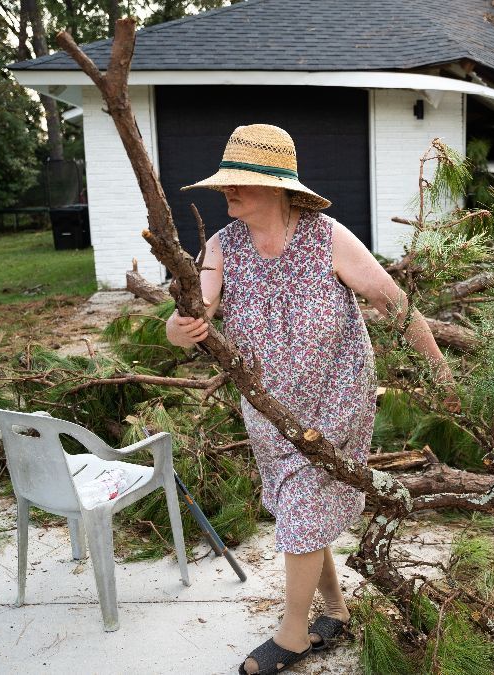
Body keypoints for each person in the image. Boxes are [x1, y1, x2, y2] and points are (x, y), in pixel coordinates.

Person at [165, 124, 451, 675]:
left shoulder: (328, 238)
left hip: (335, 396)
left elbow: (394, 302)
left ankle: (292, 634)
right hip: (268, 404)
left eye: (241, 182)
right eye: (225, 182)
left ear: (276, 187)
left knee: (302, 507)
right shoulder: (222, 248)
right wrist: (182, 328)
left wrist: (440, 372)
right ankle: (336, 611)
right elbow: (188, 318)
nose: (228, 191)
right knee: (301, 508)